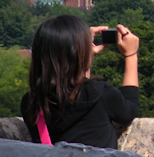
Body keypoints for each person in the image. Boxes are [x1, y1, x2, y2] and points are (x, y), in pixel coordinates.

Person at [21, 15, 140, 149]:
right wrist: (131, 55)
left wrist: (82, 56)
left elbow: (71, 90)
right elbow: (129, 110)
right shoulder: (101, 94)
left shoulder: (32, 103)